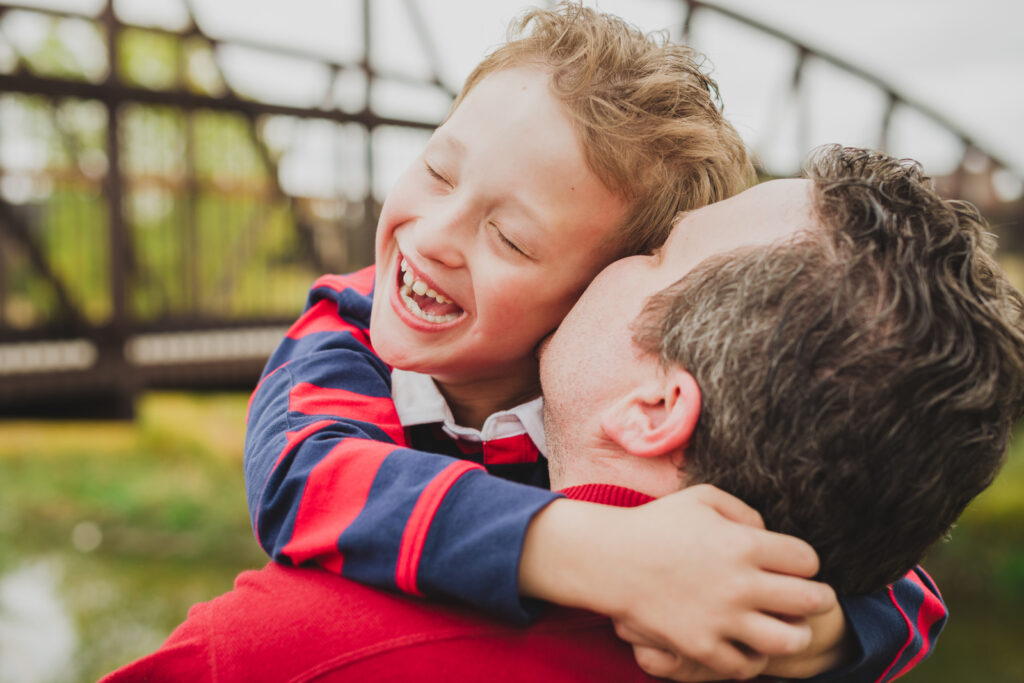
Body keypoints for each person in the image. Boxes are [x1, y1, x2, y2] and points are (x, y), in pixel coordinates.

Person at [102, 145, 1023, 682]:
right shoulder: (796, 625)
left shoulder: (273, 653)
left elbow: (312, 473)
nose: (607, 270)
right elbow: (908, 593)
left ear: (657, 404)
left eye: (653, 252)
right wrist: (826, 635)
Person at [242, 4, 941, 680]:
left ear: (602, 293)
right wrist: (607, 554)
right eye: (437, 171)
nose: (433, 234)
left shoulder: (606, 414)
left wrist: (808, 636)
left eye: (510, 238)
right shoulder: (344, 328)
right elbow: (307, 482)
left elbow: (904, 592)